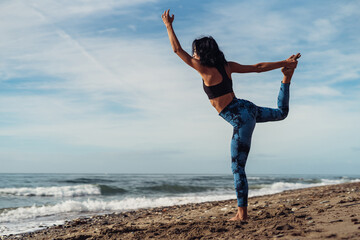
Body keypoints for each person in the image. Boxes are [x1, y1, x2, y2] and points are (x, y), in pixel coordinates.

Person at [161, 9, 300, 221]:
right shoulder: (227, 67)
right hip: (247, 107)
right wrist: (284, 63)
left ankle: (242, 215)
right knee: (281, 113)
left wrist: (168, 26)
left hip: (241, 118)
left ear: (203, 53)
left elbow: (177, 50)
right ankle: (286, 79)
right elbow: (258, 68)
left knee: (237, 167)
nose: (194, 54)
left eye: (196, 51)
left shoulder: (204, 69)